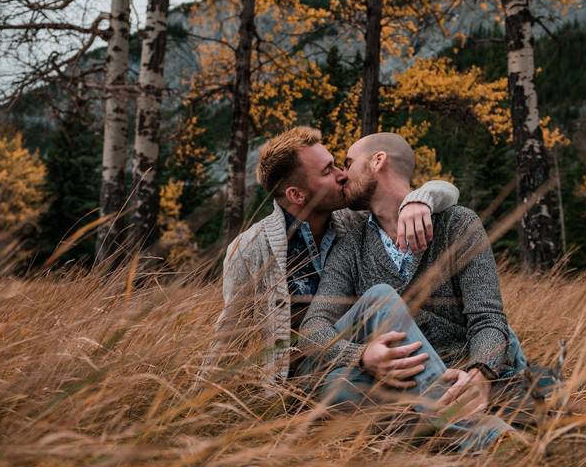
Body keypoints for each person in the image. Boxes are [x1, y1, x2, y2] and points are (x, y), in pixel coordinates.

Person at [298, 132, 548, 449]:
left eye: (349, 163)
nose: (343, 174)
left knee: (504, 365)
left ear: (378, 161)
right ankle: (482, 433)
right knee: (342, 378)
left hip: (452, 369)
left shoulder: (458, 224)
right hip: (386, 378)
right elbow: (312, 329)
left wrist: (480, 373)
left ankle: (447, 426)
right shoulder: (351, 246)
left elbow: (487, 318)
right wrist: (361, 355)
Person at [208, 126, 460, 388]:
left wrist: (420, 199)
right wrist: (195, 405)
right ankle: (469, 419)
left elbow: (448, 192)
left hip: (377, 360)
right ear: (297, 194)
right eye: (328, 171)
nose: (343, 175)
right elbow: (228, 337)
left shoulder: (356, 222)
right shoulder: (250, 249)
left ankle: (464, 408)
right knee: (380, 299)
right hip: (305, 383)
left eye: (337, 165)